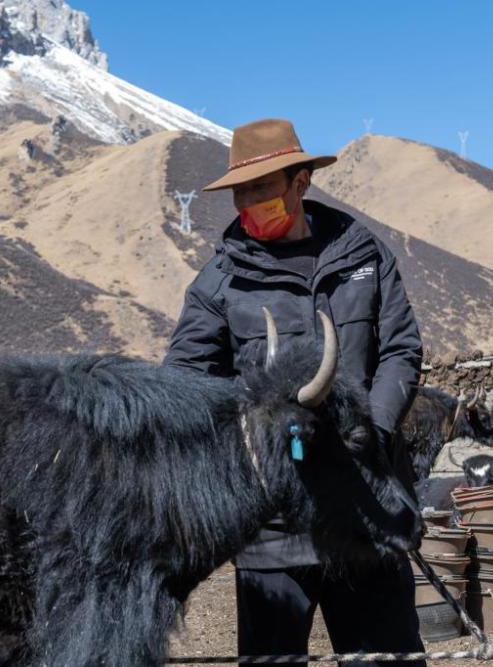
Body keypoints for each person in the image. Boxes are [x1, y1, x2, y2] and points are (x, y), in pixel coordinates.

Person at [163, 118, 425, 666]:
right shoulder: (221, 279)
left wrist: (370, 430)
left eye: (262, 189)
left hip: (368, 508)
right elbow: (184, 379)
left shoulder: (364, 255)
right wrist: (251, 438)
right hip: (271, 525)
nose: (249, 204)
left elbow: (400, 349)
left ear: (300, 182)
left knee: (386, 658)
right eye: (242, 193)